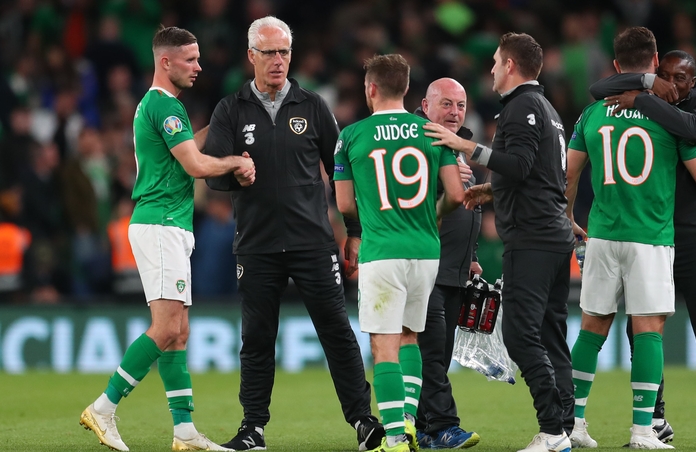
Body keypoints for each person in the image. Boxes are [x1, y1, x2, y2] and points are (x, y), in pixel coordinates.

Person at [202, 16, 382, 451]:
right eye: (269, 52)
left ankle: (363, 421)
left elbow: (343, 172)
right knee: (258, 339)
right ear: (252, 57)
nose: (279, 60)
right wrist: (234, 173)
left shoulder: (314, 105)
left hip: (313, 242)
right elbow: (211, 174)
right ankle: (253, 430)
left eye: (284, 52)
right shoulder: (231, 109)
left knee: (337, 332)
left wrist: (354, 231)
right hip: (258, 244)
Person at [79, 26, 255, 452]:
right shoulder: (164, 106)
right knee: (166, 327)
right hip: (160, 225)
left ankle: (185, 433)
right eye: (191, 59)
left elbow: (186, 149)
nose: (198, 66)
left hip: (169, 226)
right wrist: (235, 160)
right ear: (166, 61)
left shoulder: (162, 107)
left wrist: (220, 123)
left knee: (179, 332)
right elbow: (195, 166)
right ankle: (103, 407)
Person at [564, 26, 696, 450]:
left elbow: (569, 173)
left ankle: (574, 425)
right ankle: (643, 430)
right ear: (656, 63)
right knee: (649, 328)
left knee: (590, 329)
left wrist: (567, 216)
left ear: (617, 66)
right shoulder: (666, 116)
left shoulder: (593, 112)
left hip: (601, 233)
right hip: (651, 235)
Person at [424, 32, 575, 452]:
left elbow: (522, 165)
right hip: (552, 236)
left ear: (510, 65)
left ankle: (551, 431)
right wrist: (491, 192)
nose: (490, 69)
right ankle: (566, 423)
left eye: (494, 61)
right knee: (549, 334)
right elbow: (543, 175)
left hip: (533, 238)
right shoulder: (547, 109)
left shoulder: (522, 107)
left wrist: (466, 147)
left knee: (521, 336)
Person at [334, 53, 464, 452]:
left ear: (370, 88)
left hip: (382, 250)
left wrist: (370, 218)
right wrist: (433, 214)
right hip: (426, 251)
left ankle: (393, 436)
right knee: (410, 338)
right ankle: (406, 422)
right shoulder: (430, 131)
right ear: (407, 89)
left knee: (383, 345)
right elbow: (457, 195)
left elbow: (343, 204)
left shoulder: (351, 136)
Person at [413, 78, 481, 450]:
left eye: (460, 104)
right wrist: (446, 182)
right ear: (426, 105)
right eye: (446, 104)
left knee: (437, 353)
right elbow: (403, 193)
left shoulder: (459, 143)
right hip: (426, 263)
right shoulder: (414, 142)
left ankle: (424, 428)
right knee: (433, 351)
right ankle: (445, 425)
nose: (454, 112)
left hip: (455, 267)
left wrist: (471, 258)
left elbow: (464, 206)